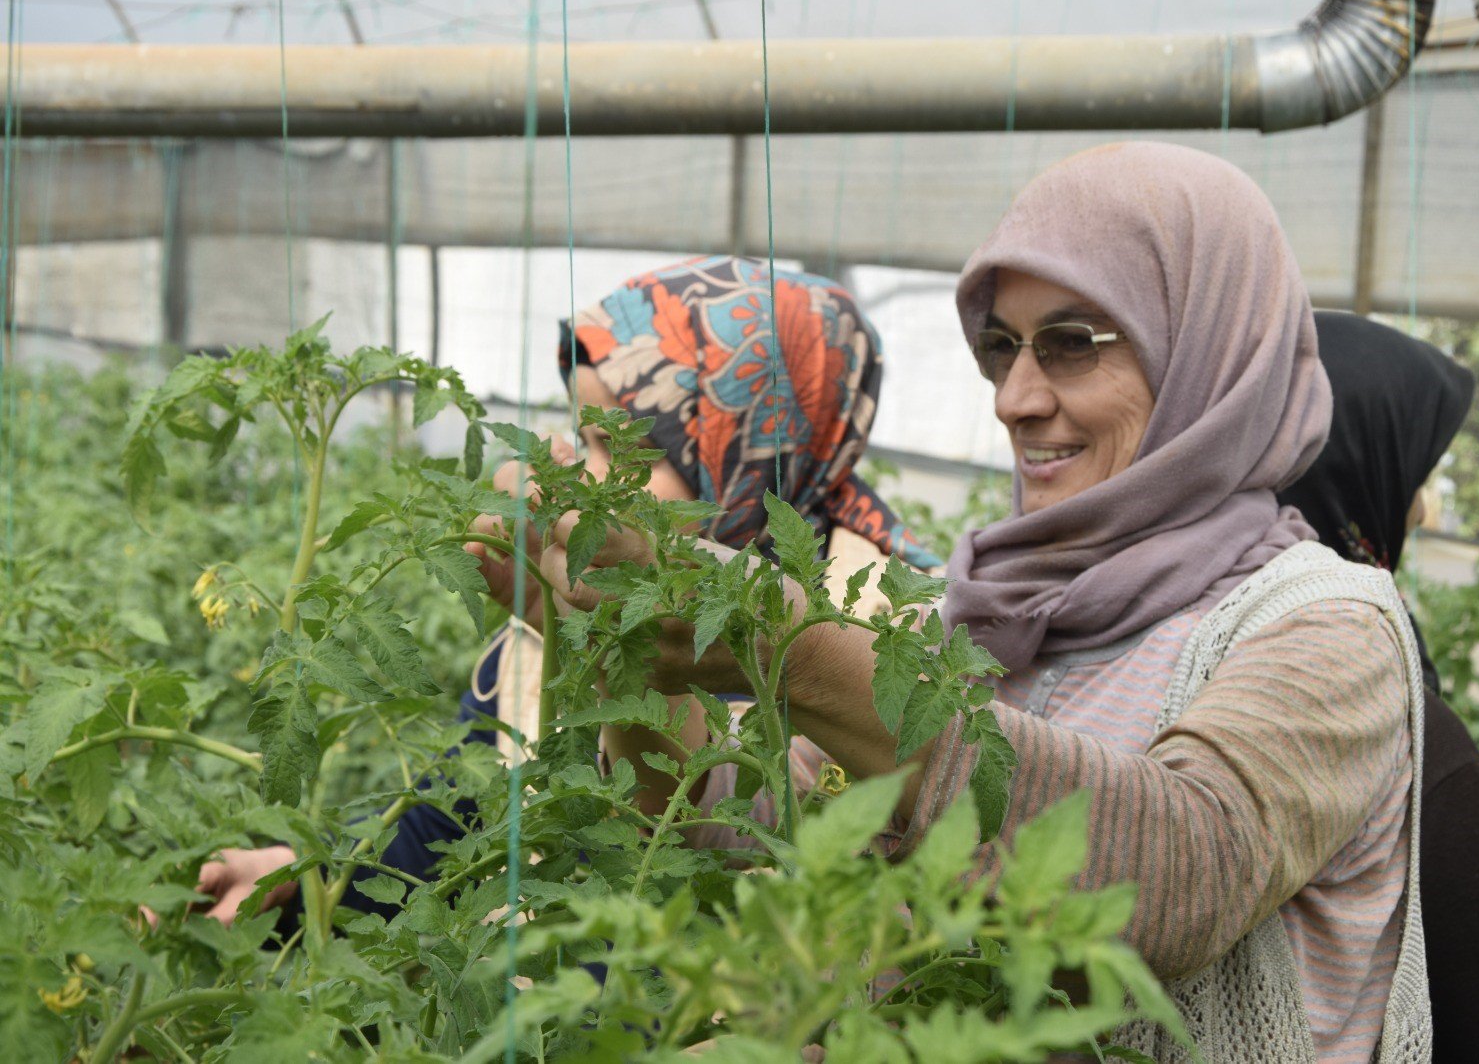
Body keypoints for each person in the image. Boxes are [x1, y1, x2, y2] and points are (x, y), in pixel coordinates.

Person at [508, 144, 1429, 1062]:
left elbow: (1179, 874)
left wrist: (800, 649)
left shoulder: (1326, 626)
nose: (1015, 399)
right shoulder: (984, 609)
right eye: (1000, 347)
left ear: (1209, 346)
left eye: (1072, 343)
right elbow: (740, 827)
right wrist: (613, 630)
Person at [195, 254, 938, 924]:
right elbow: (444, 832)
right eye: (579, 437)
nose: (579, 475)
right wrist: (311, 880)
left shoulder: (877, 648)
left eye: (619, 449)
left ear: (753, 444)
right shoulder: (556, 619)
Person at [1284, 309, 1479, 1063]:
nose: (1423, 508)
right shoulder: (1353, 657)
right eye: (1414, 471)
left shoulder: (1265, 607)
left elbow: (1408, 794)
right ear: (1357, 459)